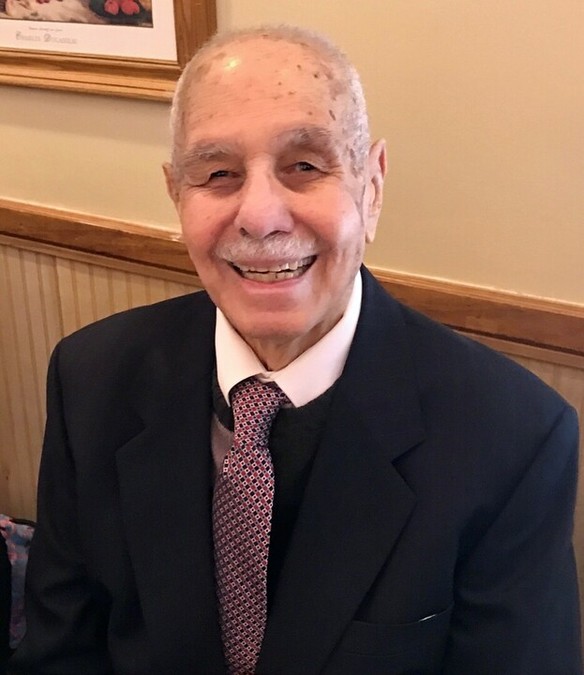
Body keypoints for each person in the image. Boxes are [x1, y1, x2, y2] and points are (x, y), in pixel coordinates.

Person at [10, 24, 581, 675]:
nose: (259, 216)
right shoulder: (90, 379)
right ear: (176, 196)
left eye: (305, 166)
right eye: (218, 173)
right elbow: (60, 653)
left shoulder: (513, 438)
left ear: (372, 187)